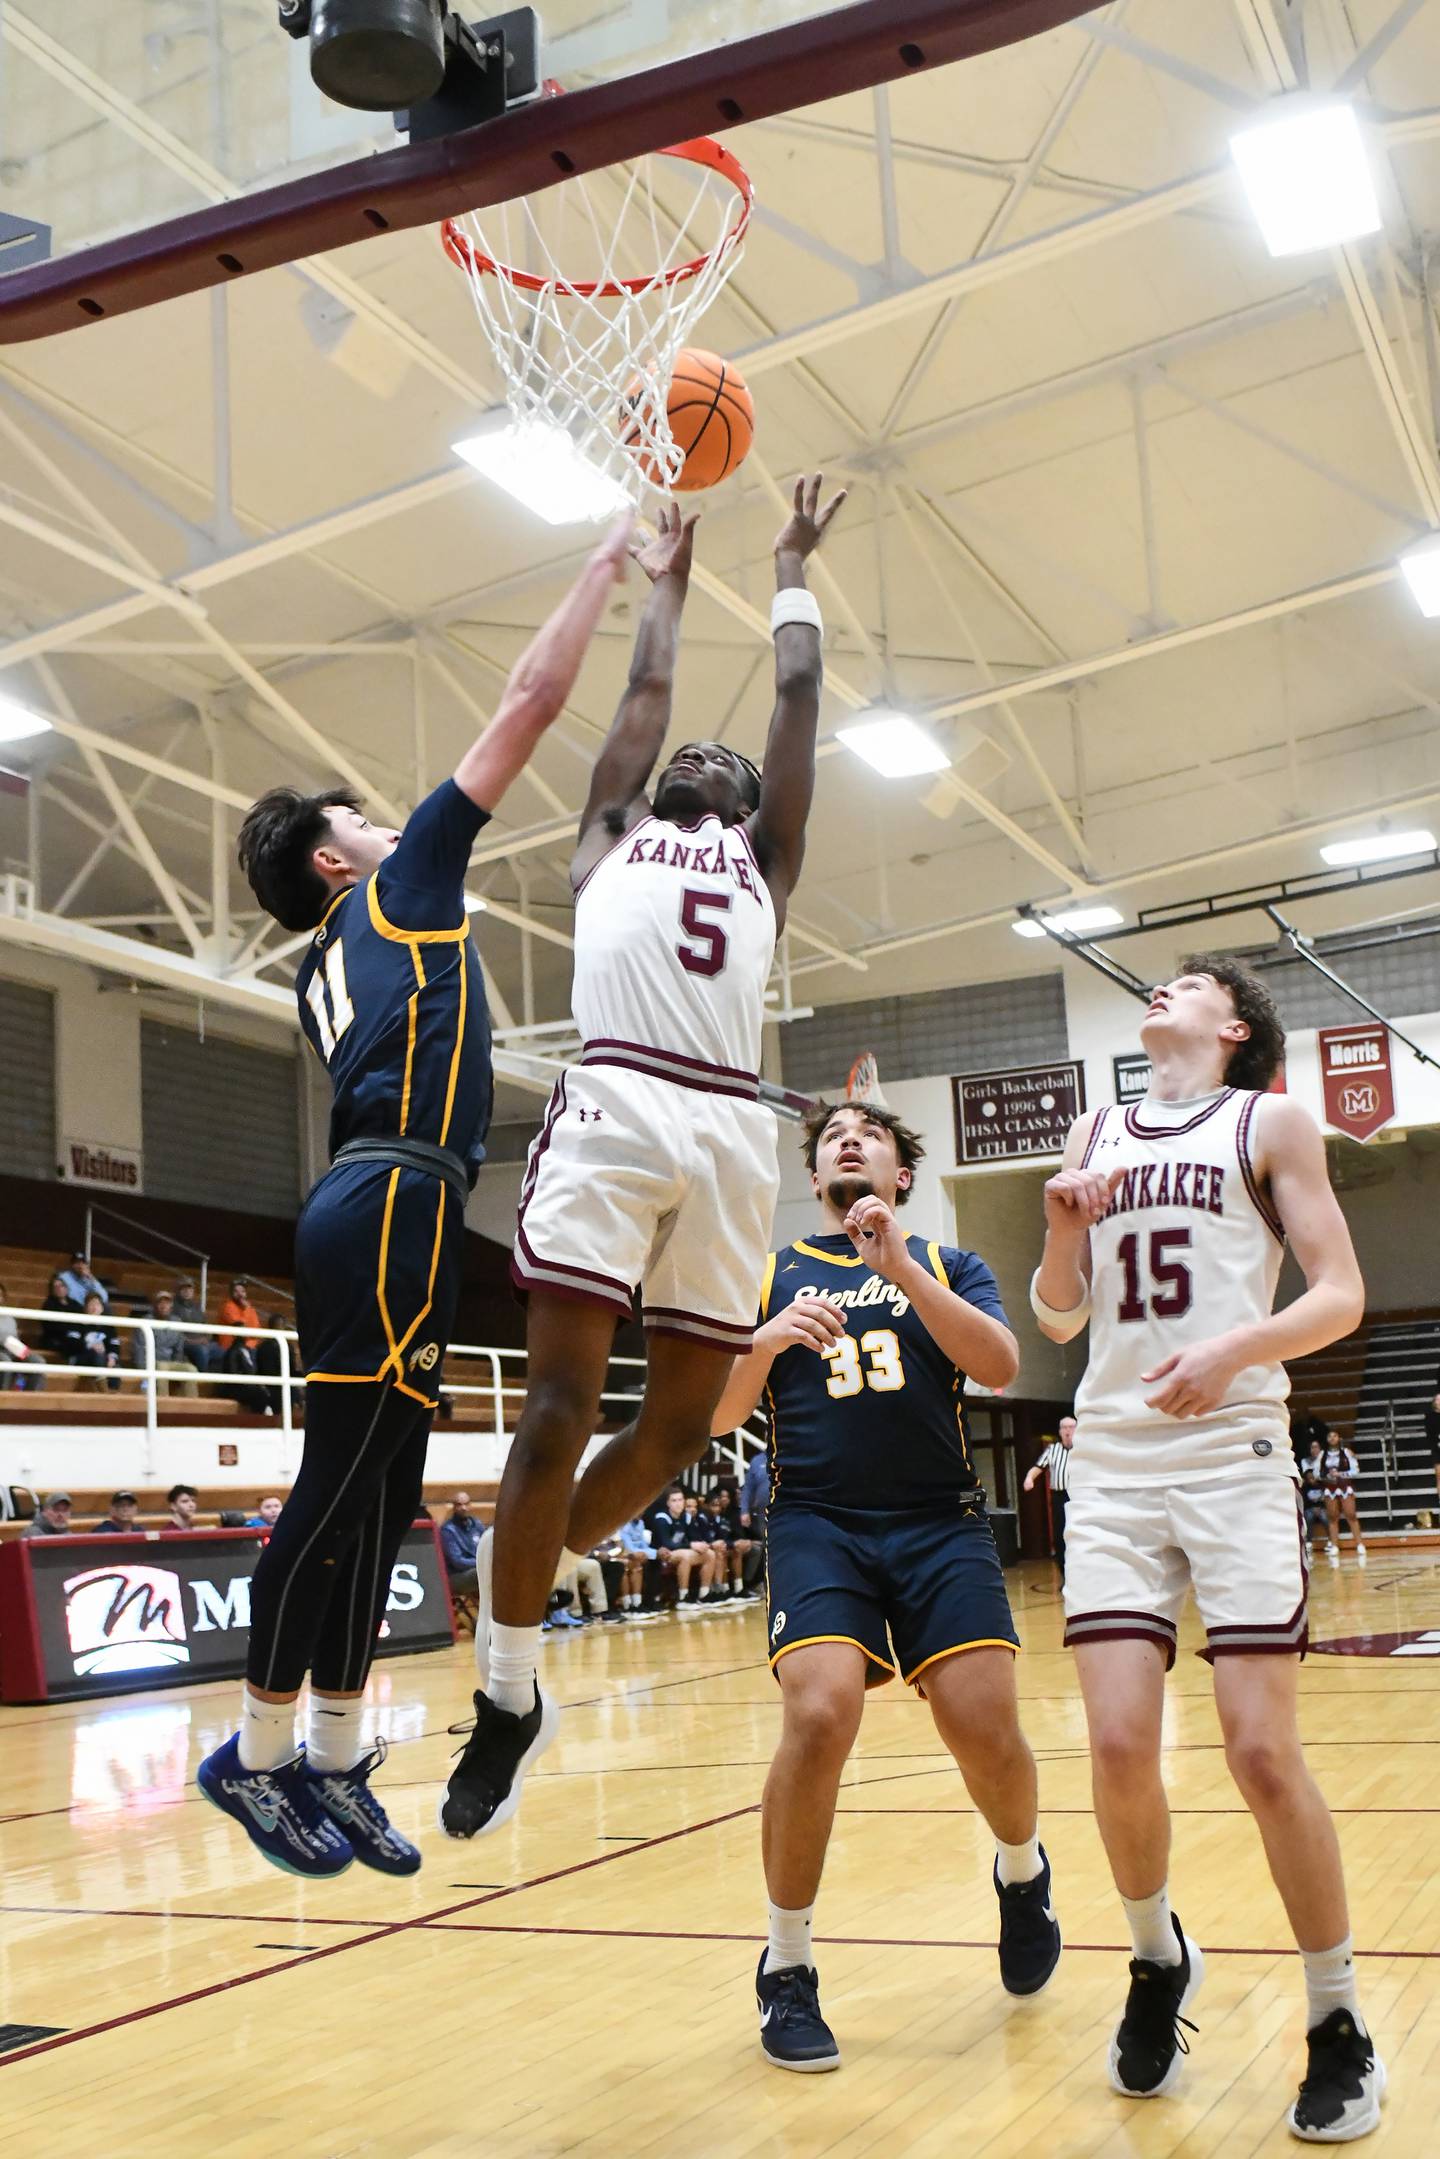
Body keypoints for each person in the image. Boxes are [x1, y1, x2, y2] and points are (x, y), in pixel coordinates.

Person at [194, 515, 631, 1882]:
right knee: (342, 1479)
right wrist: (602, 567)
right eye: (363, 821)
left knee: (389, 1496)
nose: (393, 824)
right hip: (386, 1194)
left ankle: (329, 1748)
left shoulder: (336, 948)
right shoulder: (400, 893)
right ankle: (256, 1756)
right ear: (337, 861)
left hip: (408, 1199)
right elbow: (529, 702)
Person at [444, 476, 847, 1841]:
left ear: (747, 811)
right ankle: (509, 1689)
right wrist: (667, 579)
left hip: (732, 1124)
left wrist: (791, 570)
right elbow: (645, 697)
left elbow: (794, 707)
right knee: (557, 1406)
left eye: (729, 771)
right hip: (618, 1096)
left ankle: (531, 1556)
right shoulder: (613, 829)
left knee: (679, 1423)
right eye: (695, 757)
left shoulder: (768, 858)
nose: (711, 759)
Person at [1032, 955, 1382, 2139]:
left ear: (1232, 1026)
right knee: (1122, 1741)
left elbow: (1339, 1293)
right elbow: (1060, 1313)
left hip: (1231, 1441)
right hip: (1118, 1459)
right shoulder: (1095, 1122)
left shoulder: (1269, 1117)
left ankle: (1337, 2016)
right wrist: (1057, 1230)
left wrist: (1234, 1349)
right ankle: (1153, 1955)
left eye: (1189, 983)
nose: (1163, 990)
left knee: (1259, 1751)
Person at [711, 1096, 1058, 2071]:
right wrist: (768, 1336)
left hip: (938, 1520)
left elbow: (998, 1362)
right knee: (817, 1713)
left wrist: (897, 1265)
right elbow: (717, 1413)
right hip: (819, 1522)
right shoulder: (770, 1273)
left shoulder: (948, 1263)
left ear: (902, 1174)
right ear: (815, 1177)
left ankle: (1023, 1873)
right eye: (831, 1137)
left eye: (868, 1135)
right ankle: (787, 1967)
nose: (848, 1142)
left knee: (984, 1725)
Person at [1022, 1414, 1074, 1575]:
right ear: (1059, 1431)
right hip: (1059, 1497)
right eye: (1064, 1427)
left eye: (1071, 1427)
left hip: (1078, 1497)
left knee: (1079, 1535)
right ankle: (1065, 1575)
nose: (1068, 1431)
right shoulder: (1053, 1450)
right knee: (1060, 1537)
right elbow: (1038, 1467)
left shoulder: (1083, 1450)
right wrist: (1029, 1478)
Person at [648, 1485, 714, 1608]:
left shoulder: (686, 1517)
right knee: (685, 1555)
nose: (678, 1504)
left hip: (680, 1551)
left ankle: (704, 1595)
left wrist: (702, 1544)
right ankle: (683, 1598)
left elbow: (694, 1537)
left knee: (709, 1554)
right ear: (667, 1503)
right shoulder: (662, 1518)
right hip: (661, 1554)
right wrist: (691, 1545)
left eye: (680, 1500)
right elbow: (666, 1544)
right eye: (674, 1501)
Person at [145, 1289, 201, 1398]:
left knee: (191, 1369)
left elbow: (179, 1348)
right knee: (162, 1367)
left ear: (171, 1305)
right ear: (155, 1305)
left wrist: (178, 1362)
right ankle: (163, 1403)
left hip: (172, 1361)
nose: (164, 1306)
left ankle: (193, 1406)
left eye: (167, 1303)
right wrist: (143, 1369)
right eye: (160, 1302)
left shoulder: (177, 1321)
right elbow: (140, 1349)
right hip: (153, 1361)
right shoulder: (146, 1321)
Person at [1321, 1432, 1365, 1565]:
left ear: (1339, 1438)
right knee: (1333, 1517)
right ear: (1327, 1439)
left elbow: (1355, 1470)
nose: (1332, 1438)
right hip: (1331, 1488)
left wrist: (1341, 1474)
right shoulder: (1323, 1455)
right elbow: (1317, 1472)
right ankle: (1334, 1545)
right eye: (1329, 1436)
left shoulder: (1347, 1452)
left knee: (1351, 1514)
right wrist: (1327, 1476)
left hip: (1345, 1486)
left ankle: (1359, 1544)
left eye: (1334, 1436)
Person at [708, 1482, 756, 1597]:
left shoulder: (730, 1514)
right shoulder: (707, 1517)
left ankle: (739, 1588)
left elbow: (733, 1535)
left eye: (726, 1497)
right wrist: (733, 1543)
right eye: (721, 1497)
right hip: (715, 1547)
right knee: (724, 1551)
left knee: (739, 1550)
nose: (723, 1500)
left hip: (726, 1545)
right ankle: (723, 1589)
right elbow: (712, 1538)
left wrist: (738, 1542)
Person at [440, 1492, 487, 1594]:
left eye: (466, 1504)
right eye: (459, 1505)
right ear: (454, 1507)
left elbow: (487, 1549)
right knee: (484, 1573)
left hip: (479, 1569)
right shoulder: (448, 1531)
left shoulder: (477, 1525)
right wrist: (481, 1563)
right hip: (456, 1577)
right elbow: (458, 1562)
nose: (463, 1508)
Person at [0, 1283, 44, 1390]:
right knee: (5, 1361)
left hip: (13, 1348)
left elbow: (14, 1339)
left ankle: (30, 1397)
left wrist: (22, 1352)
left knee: (37, 1361)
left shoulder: (9, 1317)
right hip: (2, 1351)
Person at [75, 1292, 121, 1392]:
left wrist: (112, 1358)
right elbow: (72, 1345)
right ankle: (104, 1393)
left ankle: (113, 1394)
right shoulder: (79, 1324)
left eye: (97, 1304)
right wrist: (90, 1346)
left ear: (102, 1308)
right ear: (86, 1308)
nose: (94, 1307)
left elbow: (114, 1345)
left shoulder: (108, 1327)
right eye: (91, 1304)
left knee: (115, 1365)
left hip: (104, 1359)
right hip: (83, 1358)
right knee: (97, 1354)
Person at [172, 1276, 216, 1370]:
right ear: (179, 1290)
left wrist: (207, 1338)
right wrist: (193, 1341)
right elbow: (175, 1333)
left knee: (221, 1351)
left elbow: (206, 1325)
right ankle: (202, 1381)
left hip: (202, 1341)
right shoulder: (173, 1308)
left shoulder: (197, 1307)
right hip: (186, 1343)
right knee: (202, 1351)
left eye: (189, 1288)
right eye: (184, 1288)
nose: (187, 1291)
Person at [40, 1272, 82, 1366]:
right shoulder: (48, 1305)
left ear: (66, 1288)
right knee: (70, 1342)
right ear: (52, 1290)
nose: (59, 1289)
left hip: (75, 1336)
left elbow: (81, 1322)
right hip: (55, 1338)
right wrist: (69, 1331)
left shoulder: (75, 1304)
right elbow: (50, 1326)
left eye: (61, 1286)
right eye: (56, 1287)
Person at [1301, 1443, 1330, 1546]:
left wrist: (1319, 1507)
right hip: (1310, 1508)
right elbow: (1305, 1500)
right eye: (1312, 1447)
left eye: (1316, 1447)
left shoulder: (1323, 1484)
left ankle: (1331, 1541)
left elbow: (1324, 1498)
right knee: (1308, 1518)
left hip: (1321, 1507)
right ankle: (1309, 1541)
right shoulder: (1305, 1486)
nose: (1312, 1478)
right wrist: (1313, 1508)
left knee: (1325, 1518)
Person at [1425, 1391, 1440, 1507]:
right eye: (1438, 1400)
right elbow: (1430, 1435)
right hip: (1437, 1448)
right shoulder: (1430, 1417)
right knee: (1439, 1476)